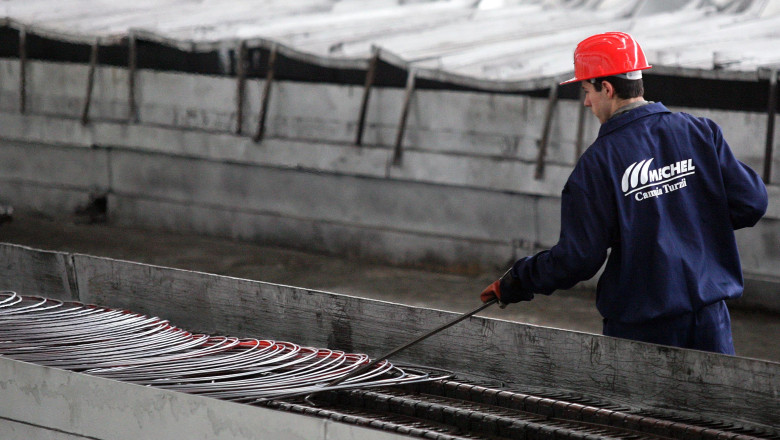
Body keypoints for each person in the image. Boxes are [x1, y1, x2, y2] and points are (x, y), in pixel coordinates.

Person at [480, 31, 768, 354]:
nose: (586, 101)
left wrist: (519, 280)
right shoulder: (700, 133)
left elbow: (578, 259)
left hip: (642, 332)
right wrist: (689, 213)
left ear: (607, 88)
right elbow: (753, 202)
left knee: (643, 408)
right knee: (714, 406)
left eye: (587, 90)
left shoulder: (597, 165)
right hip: (712, 323)